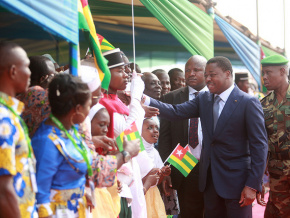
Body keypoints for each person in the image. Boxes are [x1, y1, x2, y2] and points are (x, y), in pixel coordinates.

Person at [145, 56, 268, 218]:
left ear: (227, 74)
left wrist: (252, 185)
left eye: (212, 75)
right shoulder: (204, 99)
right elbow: (176, 112)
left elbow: (259, 146)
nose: (207, 79)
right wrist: (144, 99)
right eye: (206, 75)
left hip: (238, 184)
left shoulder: (248, 102)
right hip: (209, 183)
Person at [100, 48, 153, 218]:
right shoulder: (103, 104)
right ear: (105, 73)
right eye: (120, 70)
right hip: (113, 174)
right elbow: (130, 134)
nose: (127, 74)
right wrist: (136, 98)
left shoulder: (117, 101)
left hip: (128, 171)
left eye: (126, 70)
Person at [159, 55, 207, 218]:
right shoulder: (171, 98)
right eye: (188, 70)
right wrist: (167, 171)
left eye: (196, 70)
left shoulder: (217, 97)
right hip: (184, 167)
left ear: (207, 72)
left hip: (213, 168)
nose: (191, 74)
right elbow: (164, 139)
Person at [0, 41, 37, 218]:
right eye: (27, 67)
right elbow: (3, 190)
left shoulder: (11, 113)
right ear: (13, 71)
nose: (30, 73)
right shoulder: (3, 118)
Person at [260, 54, 290, 218]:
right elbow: (260, 142)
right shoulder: (263, 105)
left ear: (283, 71)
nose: (264, 77)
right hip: (276, 172)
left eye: (268, 73)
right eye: (263, 73)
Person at [142, 118, 170, 218]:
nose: (155, 131)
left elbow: (157, 182)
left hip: (154, 196)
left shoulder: (155, 152)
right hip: (141, 195)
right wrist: (148, 179)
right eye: (150, 128)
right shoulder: (136, 152)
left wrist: (163, 173)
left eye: (157, 128)